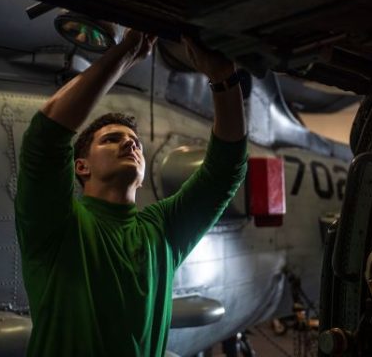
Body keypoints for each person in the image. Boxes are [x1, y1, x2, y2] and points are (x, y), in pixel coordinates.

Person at [14, 29, 248, 357]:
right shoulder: (58, 225)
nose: (129, 143)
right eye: (111, 139)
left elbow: (225, 172)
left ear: (140, 177)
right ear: (81, 166)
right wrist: (127, 53)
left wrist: (224, 79)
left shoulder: (161, 231)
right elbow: (44, 137)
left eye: (135, 143)